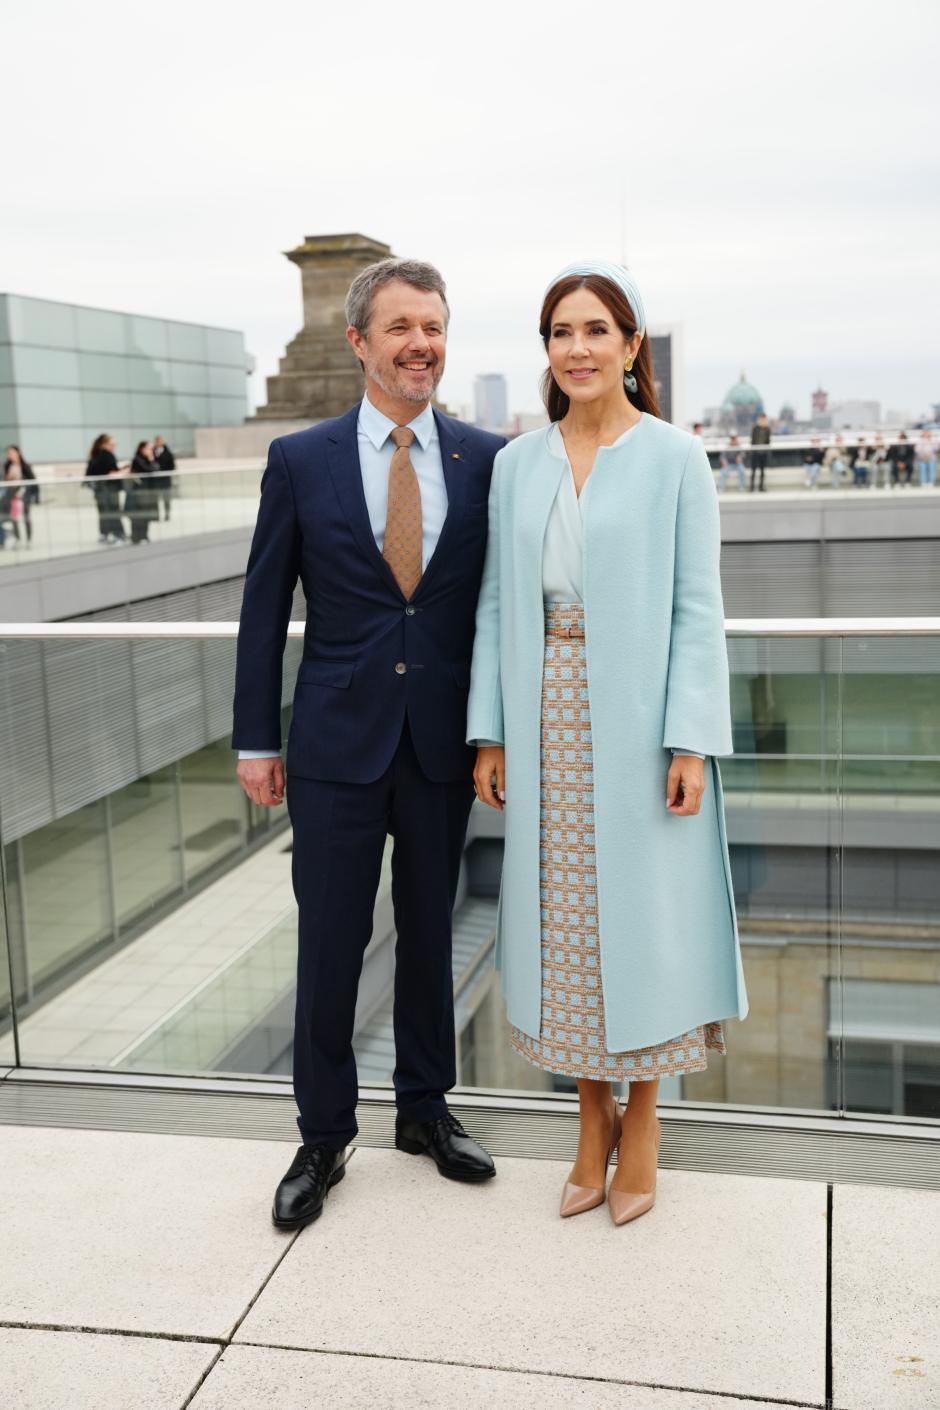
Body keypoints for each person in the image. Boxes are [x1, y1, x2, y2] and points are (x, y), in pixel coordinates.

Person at [468, 260, 747, 1228]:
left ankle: (646, 1123)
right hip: (541, 711)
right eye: (559, 332)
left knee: (642, 921)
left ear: (630, 346)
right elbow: (500, 601)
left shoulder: (674, 456)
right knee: (563, 926)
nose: (576, 349)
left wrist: (687, 743)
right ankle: (588, 1124)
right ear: (545, 351)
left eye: (594, 330)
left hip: (637, 720)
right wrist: (489, 731)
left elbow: (697, 609)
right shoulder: (516, 463)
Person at [233, 258, 504, 1231]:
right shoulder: (299, 461)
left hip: (439, 748)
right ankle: (321, 1133)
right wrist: (254, 739)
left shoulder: (484, 458)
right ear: (359, 342)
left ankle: (425, 1112)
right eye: (400, 327)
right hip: (333, 749)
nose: (420, 344)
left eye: (433, 326)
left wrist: (495, 731)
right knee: (331, 946)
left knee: (430, 935)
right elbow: (263, 610)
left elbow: (495, 610)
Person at [84, 434, 127, 543]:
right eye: (111, 444)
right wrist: (124, 471)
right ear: (104, 444)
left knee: (104, 512)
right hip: (108, 489)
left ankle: (105, 533)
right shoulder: (107, 455)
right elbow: (111, 473)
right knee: (113, 512)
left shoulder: (95, 455)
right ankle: (118, 534)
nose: (114, 447)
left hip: (100, 490)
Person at [3, 447, 40, 544]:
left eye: (12, 453)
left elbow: (33, 481)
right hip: (12, 496)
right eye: (8, 453)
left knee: (26, 517)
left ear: (18, 453)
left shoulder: (25, 466)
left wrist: (36, 497)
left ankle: (28, 540)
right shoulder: (7, 466)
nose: (10, 455)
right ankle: (17, 538)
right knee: (13, 517)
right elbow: (5, 481)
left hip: (24, 495)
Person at [127, 441, 159, 544]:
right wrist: (151, 459)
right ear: (142, 449)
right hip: (138, 493)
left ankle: (144, 535)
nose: (151, 451)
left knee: (146, 515)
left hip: (147, 492)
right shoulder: (138, 459)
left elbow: (156, 468)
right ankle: (136, 537)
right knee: (138, 516)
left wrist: (151, 459)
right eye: (149, 448)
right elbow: (148, 470)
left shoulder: (149, 459)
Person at [152, 435, 175, 520]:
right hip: (155, 481)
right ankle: (156, 516)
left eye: (160, 440)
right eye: (157, 440)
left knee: (166, 499)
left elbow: (172, 466)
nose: (158, 442)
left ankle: (167, 514)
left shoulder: (168, 453)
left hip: (165, 480)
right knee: (155, 500)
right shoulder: (152, 451)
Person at [749, 411, 770, 492]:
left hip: (763, 452)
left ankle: (761, 487)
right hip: (755, 452)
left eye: (764, 418)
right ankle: (752, 487)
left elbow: (768, 441)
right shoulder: (755, 428)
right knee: (753, 470)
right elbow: (753, 440)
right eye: (761, 418)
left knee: (762, 471)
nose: (762, 419)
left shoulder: (767, 429)